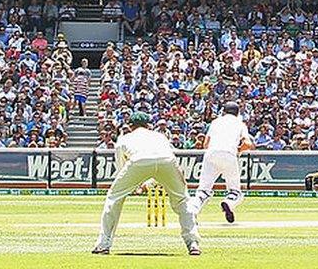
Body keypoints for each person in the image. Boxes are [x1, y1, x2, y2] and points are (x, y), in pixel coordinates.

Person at [92, 111, 200, 256]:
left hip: (138, 161)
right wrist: (148, 183)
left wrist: (135, 185)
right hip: (167, 161)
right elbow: (163, 162)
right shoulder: (160, 136)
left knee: (114, 197)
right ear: (149, 125)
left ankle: (103, 244)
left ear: (130, 126)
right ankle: (193, 243)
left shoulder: (124, 138)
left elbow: (121, 168)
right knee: (182, 200)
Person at [188, 101, 253, 223]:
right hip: (229, 154)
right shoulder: (240, 124)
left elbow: (206, 144)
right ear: (238, 113)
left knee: (203, 190)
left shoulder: (216, 122)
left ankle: (192, 210)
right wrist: (238, 150)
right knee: (235, 191)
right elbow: (248, 144)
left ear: (223, 111)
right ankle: (228, 202)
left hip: (211, 154)